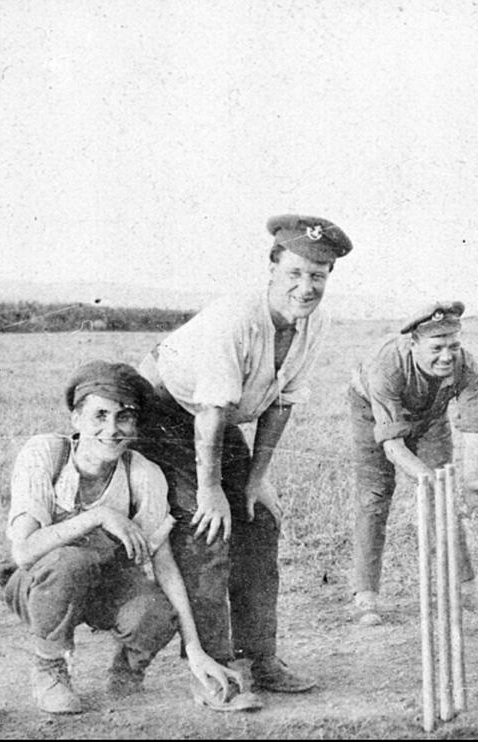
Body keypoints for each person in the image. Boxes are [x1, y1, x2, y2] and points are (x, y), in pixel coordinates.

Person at [134, 214, 352, 709]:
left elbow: (281, 401)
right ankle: (213, 671)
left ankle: (261, 658)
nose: (306, 286)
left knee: (259, 520)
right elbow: (209, 414)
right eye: (295, 273)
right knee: (208, 528)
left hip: (219, 419)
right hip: (167, 412)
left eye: (318, 276)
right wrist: (211, 491)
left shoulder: (315, 321)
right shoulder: (237, 317)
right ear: (272, 268)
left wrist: (257, 479)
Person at [0, 361, 247, 715]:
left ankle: (126, 673)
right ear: (76, 419)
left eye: (125, 417)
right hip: (39, 583)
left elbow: (164, 565)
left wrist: (194, 648)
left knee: (157, 611)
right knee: (71, 561)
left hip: (103, 585)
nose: (112, 430)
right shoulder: (46, 454)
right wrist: (98, 516)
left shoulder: (142, 474)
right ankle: (50, 668)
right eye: (99, 415)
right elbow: (24, 552)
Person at [348, 300, 478, 625]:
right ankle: (366, 595)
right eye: (437, 347)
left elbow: (474, 428)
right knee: (375, 496)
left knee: (442, 501)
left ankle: (465, 587)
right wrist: (429, 478)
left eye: (453, 346)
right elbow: (393, 445)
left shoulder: (466, 367)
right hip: (373, 415)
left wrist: (473, 483)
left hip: (430, 417)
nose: (446, 356)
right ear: (413, 343)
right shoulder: (387, 365)